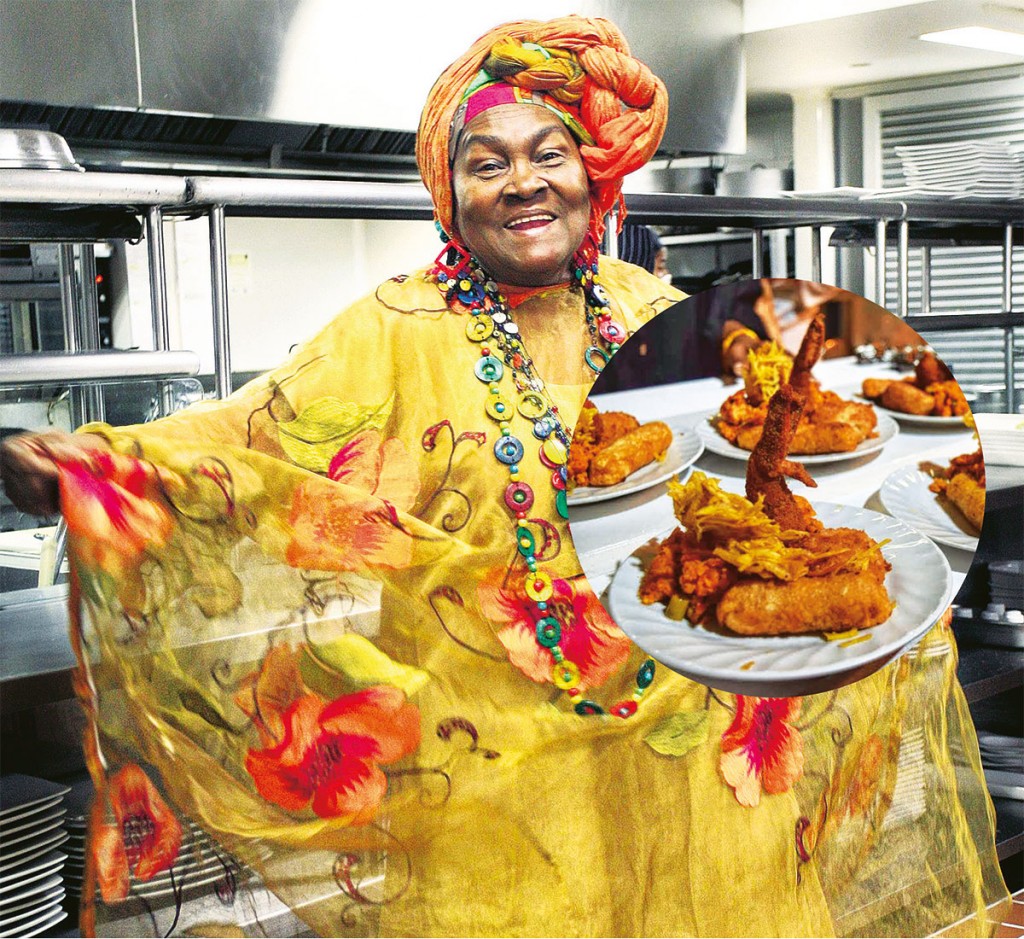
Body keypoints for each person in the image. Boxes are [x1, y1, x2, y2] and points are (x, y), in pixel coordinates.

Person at [0, 16, 1007, 939]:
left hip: (707, 791)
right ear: (451, 193)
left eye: (548, 154)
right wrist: (93, 464)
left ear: (590, 175)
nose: (522, 182)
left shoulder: (664, 313)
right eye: (487, 164)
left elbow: (774, 472)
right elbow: (244, 436)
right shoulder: (388, 333)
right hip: (506, 815)